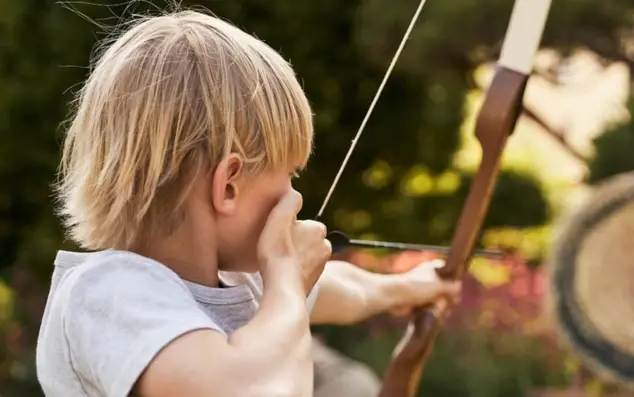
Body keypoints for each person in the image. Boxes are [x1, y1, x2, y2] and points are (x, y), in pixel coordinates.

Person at [35, 9, 460, 397]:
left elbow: (336, 288)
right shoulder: (111, 294)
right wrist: (288, 280)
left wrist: (407, 288)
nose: (295, 197)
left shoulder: (242, 283)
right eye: (290, 174)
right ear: (229, 186)